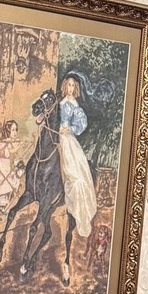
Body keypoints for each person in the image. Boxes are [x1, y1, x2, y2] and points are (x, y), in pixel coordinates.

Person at [55, 69, 98, 240]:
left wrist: (69, 129)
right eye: (69, 85)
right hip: (54, 133)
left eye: (73, 86)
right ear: (65, 86)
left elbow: (81, 125)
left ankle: (78, 209)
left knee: (75, 173)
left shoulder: (75, 105)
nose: (71, 88)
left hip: (67, 138)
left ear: (76, 88)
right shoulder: (60, 101)